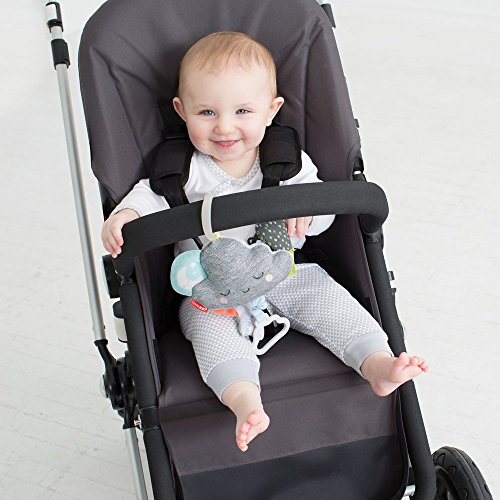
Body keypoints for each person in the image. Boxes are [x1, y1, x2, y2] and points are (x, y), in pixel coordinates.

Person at [102, 32, 428, 453]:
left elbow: (323, 216)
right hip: (211, 293)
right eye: (206, 112)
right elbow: (145, 199)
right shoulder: (181, 172)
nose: (224, 126)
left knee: (328, 299)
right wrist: (125, 216)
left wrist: (308, 211)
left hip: (284, 271)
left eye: (242, 111)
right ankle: (245, 400)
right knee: (207, 332)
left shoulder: (285, 162)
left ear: (271, 111)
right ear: (181, 111)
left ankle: (376, 362)